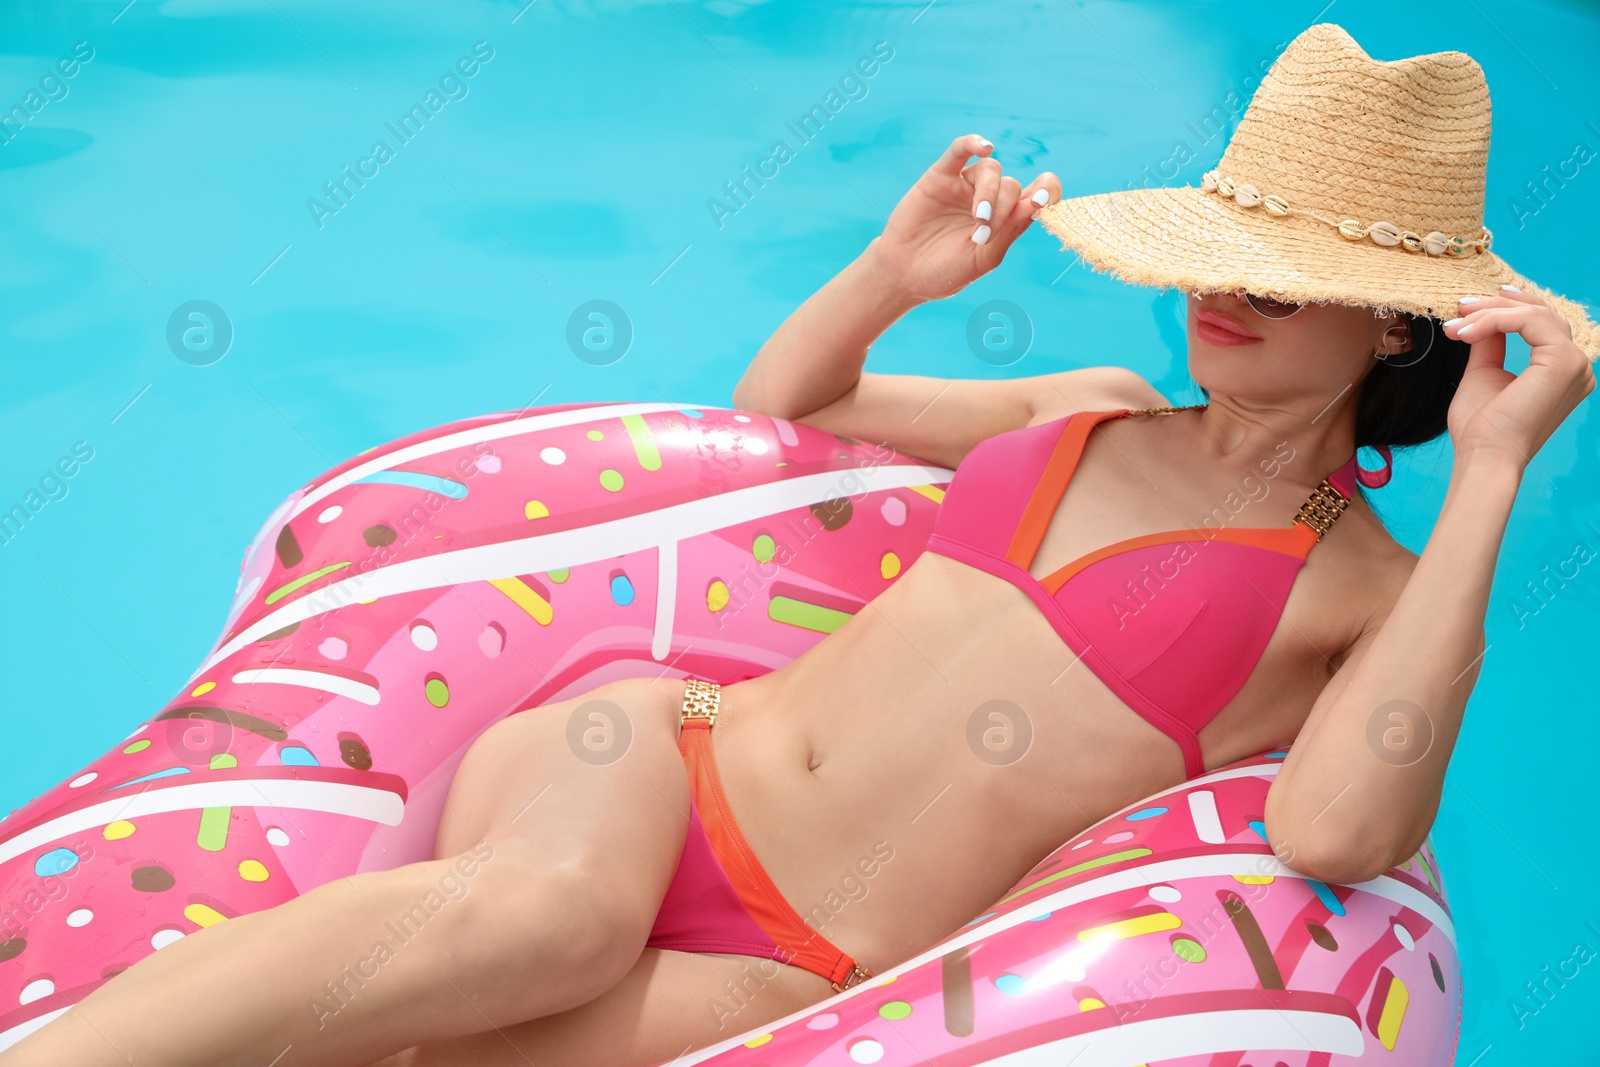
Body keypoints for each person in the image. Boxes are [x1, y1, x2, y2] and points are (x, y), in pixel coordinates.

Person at [8, 22, 1594, 1067]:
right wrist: (896, 276)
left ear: (1397, 322)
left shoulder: (1360, 588)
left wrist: (1487, 476)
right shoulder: (1097, 406)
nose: (1221, 297)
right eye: (1222, 255)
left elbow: (1333, 835)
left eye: (1284, 275)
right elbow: (800, 403)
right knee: (550, 916)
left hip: (807, 960)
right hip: (660, 748)